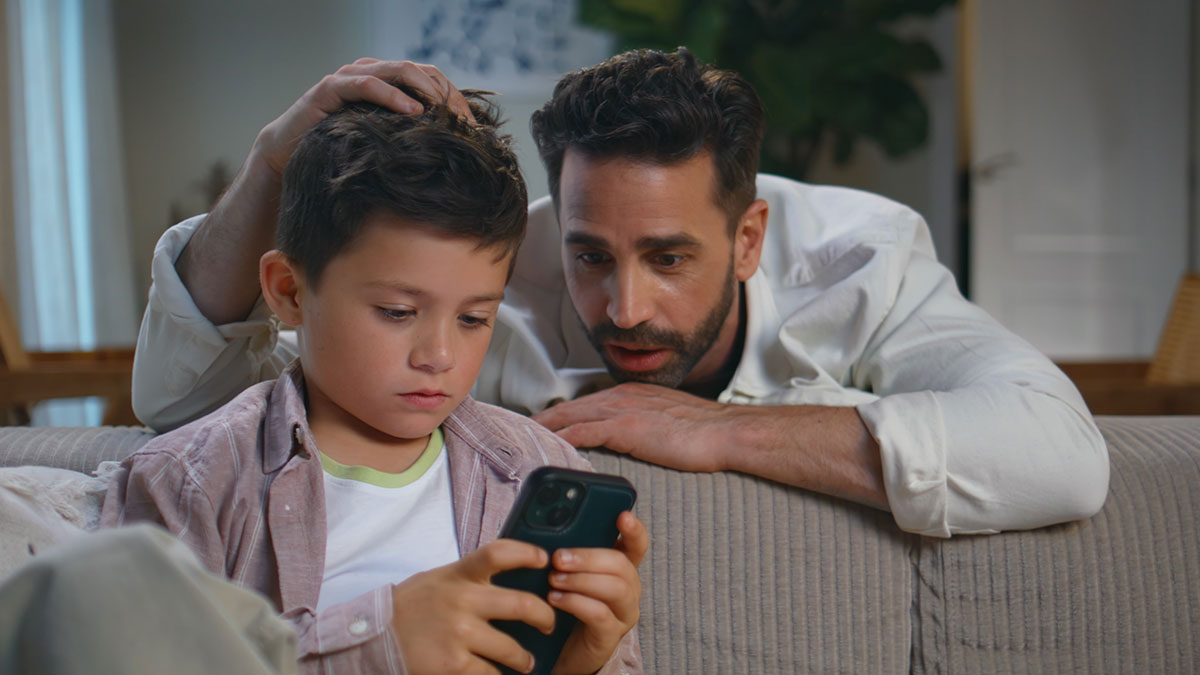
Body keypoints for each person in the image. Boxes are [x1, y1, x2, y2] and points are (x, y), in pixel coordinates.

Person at [132, 50, 1108, 538]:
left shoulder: (865, 260)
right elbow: (180, 407)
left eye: (672, 260)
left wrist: (721, 434)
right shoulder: (494, 275)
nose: (626, 306)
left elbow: (1063, 454)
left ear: (750, 238)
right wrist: (271, 161)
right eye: (592, 255)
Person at [102, 91, 646, 674]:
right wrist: (374, 643)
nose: (439, 356)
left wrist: (582, 666)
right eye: (395, 311)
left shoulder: (538, 469)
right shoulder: (190, 482)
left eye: (473, 319)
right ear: (288, 290)